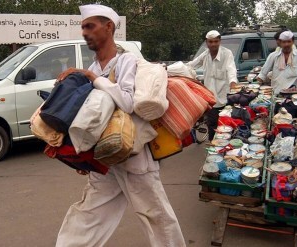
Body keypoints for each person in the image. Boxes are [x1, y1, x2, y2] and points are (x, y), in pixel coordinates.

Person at [54, 4, 186, 247]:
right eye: (83, 27)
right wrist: (82, 156)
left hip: (133, 157)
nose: (84, 32)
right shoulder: (93, 68)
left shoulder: (126, 61)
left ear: (109, 27)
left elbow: (127, 102)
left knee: (156, 216)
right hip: (105, 157)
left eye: (90, 26)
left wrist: (94, 80)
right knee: (88, 213)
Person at [187, 30, 238, 141]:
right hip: (210, 97)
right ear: (207, 42)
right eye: (210, 42)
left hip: (224, 96)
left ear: (220, 41)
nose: (213, 44)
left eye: (216, 41)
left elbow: (231, 69)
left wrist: (233, 82)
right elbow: (191, 65)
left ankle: (225, 144)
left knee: (225, 124)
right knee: (212, 123)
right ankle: (212, 144)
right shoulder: (205, 54)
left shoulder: (226, 53)